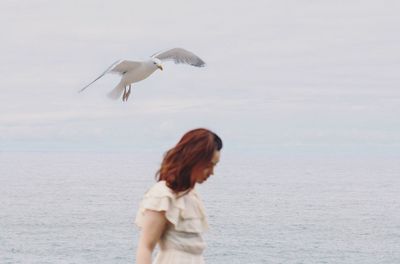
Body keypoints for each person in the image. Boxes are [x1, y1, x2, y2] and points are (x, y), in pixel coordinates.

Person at [135, 128, 223, 264]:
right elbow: (145, 247)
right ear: (193, 159)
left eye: (214, 166)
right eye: (208, 165)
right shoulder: (162, 194)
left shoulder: (191, 196)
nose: (212, 172)